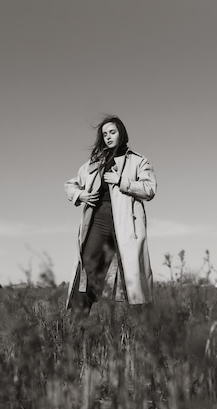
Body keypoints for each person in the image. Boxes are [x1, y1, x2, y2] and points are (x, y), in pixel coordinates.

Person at [64, 115, 156, 316]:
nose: (108, 137)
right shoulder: (95, 162)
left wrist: (121, 181)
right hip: (98, 220)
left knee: (131, 275)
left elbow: (150, 189)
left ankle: (142, 330)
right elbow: (70, 184)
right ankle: (80, 324)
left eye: (112, 132)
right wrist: (81, 195)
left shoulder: (138, 161)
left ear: (121, 133)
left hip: (126, 224)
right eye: (104, 134)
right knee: (87, 269)